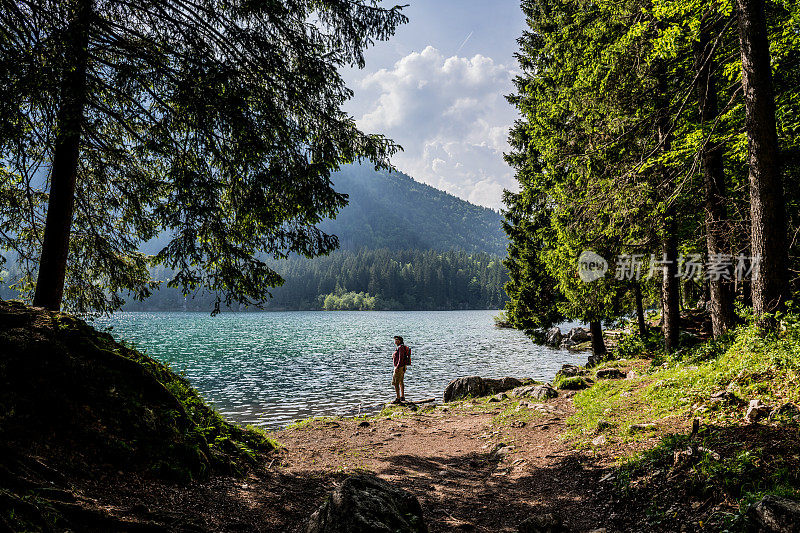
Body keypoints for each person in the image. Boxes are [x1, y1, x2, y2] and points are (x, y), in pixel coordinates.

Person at [391, 335, 409, 403]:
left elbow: (401, 358)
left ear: (400, 341)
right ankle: (402, 397)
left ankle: (398, 398)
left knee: (396, 383)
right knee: (401, 381)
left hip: (399, 367)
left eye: (397, 340)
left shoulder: (400, 347)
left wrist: (397, 367)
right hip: (402, 366)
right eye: (395, 340)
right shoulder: (401, 347)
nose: (396, 341)